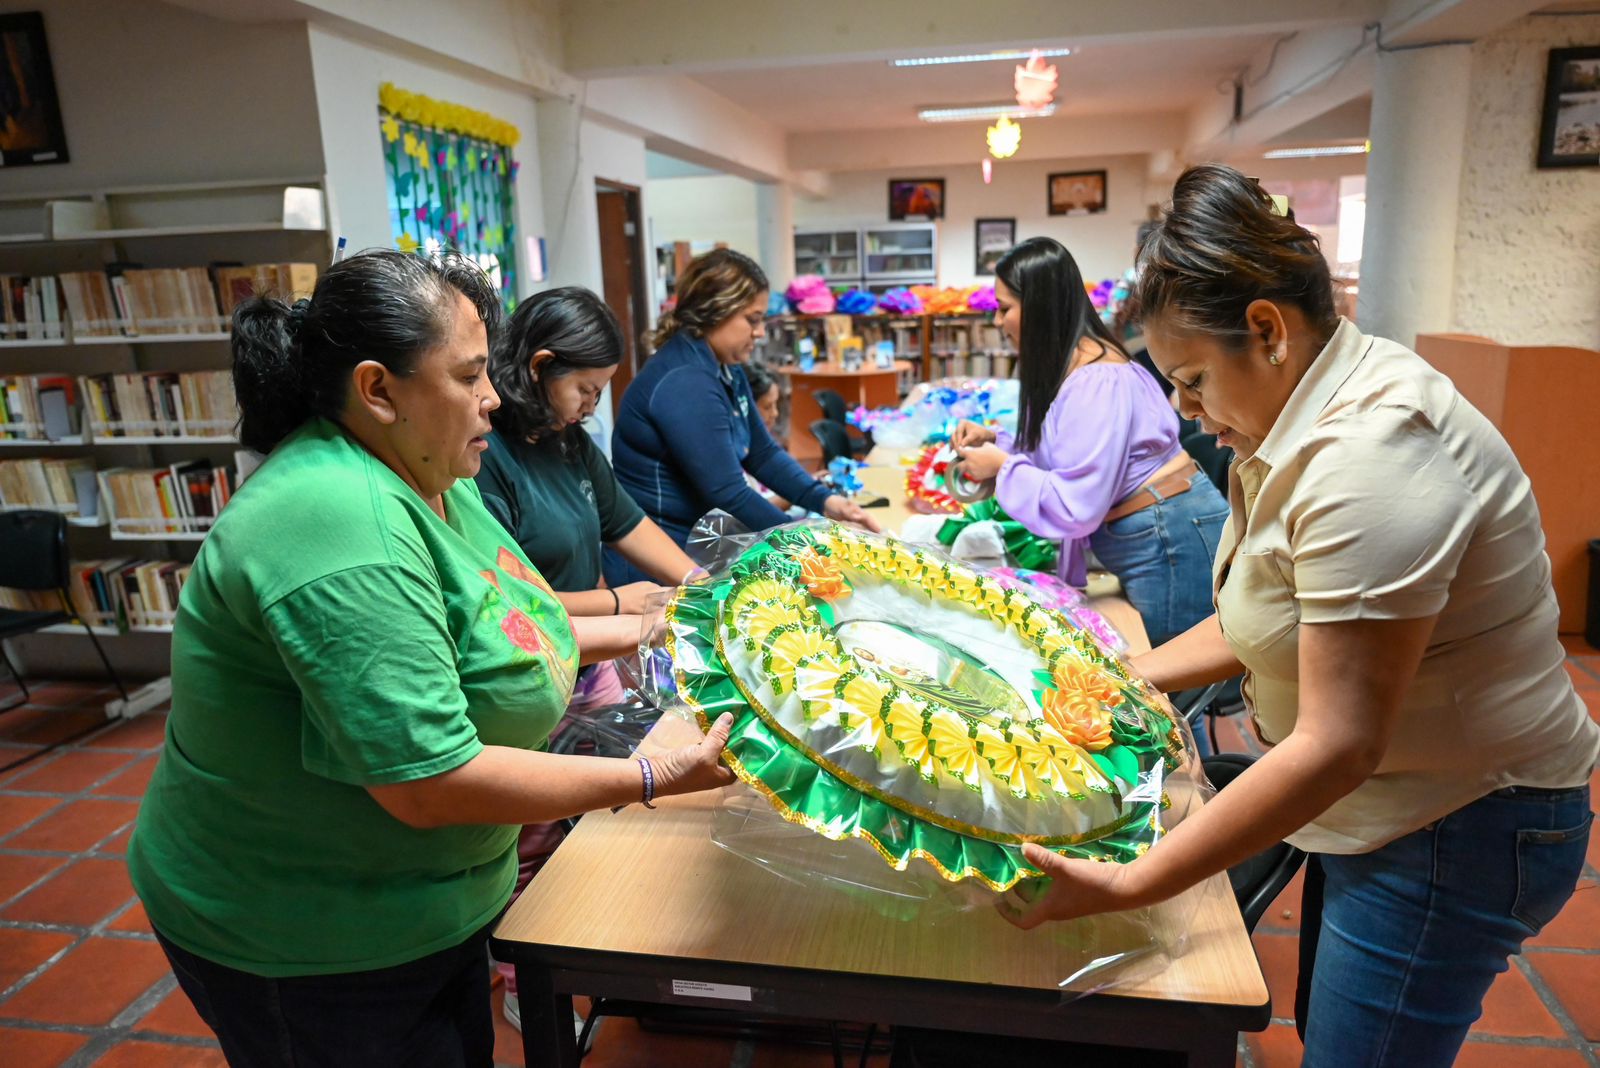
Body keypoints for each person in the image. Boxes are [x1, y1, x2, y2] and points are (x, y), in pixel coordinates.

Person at [1002, 165, 1598, 1068]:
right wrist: (1108, 676)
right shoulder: (1294, 414)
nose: (1184, 408)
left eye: (1193, 378)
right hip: (1390, 797)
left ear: (1269, 332)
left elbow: (1339, 741)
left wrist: (1137, 881)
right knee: (1339, 1033)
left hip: (1462, 814)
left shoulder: (1374, 453)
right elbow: (1265, 619)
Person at [128, 248, 736, 1068]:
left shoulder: (432, 472)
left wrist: (656, 625)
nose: (494, 398)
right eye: (470, 375)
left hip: (423, 899)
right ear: (379, 389)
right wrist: (656, 779)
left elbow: (507, 621)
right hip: (309, 931)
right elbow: (430, 781)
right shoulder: (339, 526)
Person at [472, 284, 705, 1031]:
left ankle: (610, 945)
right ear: (538, 368)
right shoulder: (488, 454)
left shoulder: (567, 440)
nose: (589, 407)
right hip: (532, 664)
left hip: (591, 659)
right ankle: (521, 979)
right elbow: (512, 603)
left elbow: (626, 521)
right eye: (584, 388)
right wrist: (622, 604)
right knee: (533, 832)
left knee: (613, 803)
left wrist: (703, 587)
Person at [951, 236, 1229, 648]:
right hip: (1155, 535)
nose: (997, 321)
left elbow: (1075, 502)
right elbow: (1066, 454)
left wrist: (1003, 467)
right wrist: (999, 443)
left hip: (1168, 541)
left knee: (1171, 688)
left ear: (1039, 308)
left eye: (1004, 308)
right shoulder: (1077, 368)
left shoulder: (1098, 378)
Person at [609, 249, 878, 584]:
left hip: (696, 545)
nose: (761, 331)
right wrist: (806, 541)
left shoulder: (724, 368)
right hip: (660, 563)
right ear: (714, 310)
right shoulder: (684, 381)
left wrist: (825, 500)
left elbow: (762, 454)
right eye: (752, 319)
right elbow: (727, 492)